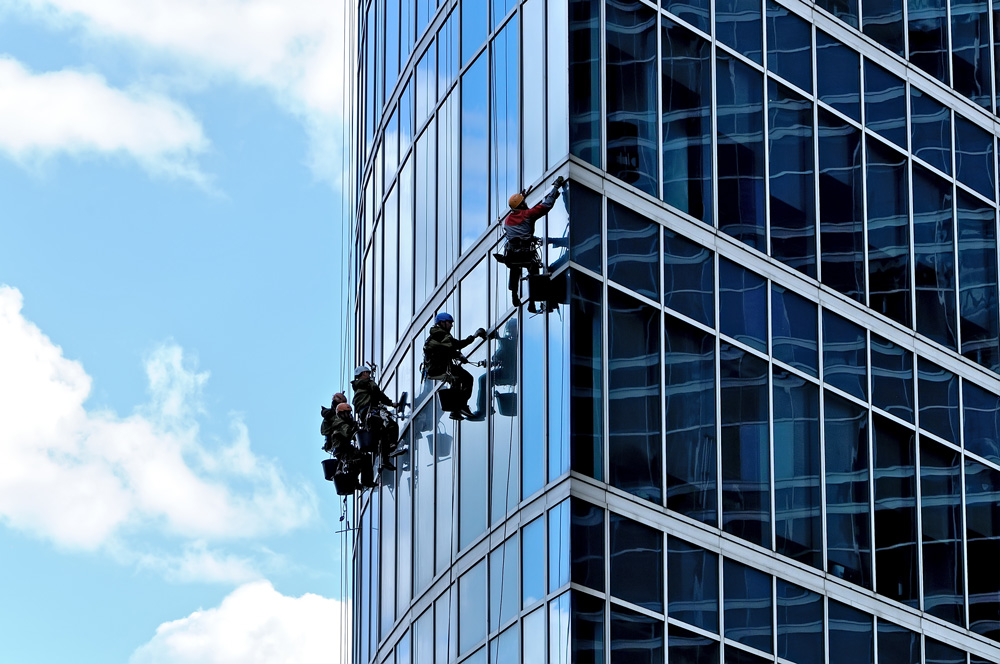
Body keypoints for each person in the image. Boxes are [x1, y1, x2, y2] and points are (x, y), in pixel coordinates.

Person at [494, 176, 566, 311]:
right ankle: (532, 302)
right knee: (534, 271)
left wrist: (521, 197)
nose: (525, 203)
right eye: (523, 202)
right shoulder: (528, 214)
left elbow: (517, 224)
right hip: (526, 254)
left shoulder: (507, 220)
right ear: (521, 205)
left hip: (512, 254)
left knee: (514, 269)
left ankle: (514, 294)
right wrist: (555, 187)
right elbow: (546, 206)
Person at [422, 312, 487, 419]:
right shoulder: (440, 334)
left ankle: (455, 410)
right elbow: (457, 344)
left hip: (436, 368)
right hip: (440, 367)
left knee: (456, 382)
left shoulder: (436, 335)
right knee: (467, 378)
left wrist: (459, 356)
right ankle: (462, 406)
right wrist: (475, 335)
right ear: (442, 322)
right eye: (449, 323)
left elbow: (446, 350)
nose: (451, 325)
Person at [351, 365, 401, 471]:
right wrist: (391, 403)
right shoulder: (368, 384)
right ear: (363, 373)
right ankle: (392, 447)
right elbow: (378, 394)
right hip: (372, 412)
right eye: (367, 373)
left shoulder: (359, 387)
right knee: (391, 425)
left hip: (367, 416)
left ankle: (385, 461)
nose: (369, 375)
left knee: (382, 434)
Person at [326, 403, 376, 489]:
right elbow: (348, 433)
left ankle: (357, 483)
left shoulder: (346, 422)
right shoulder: (340, 423)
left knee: (356, 463)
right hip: (342, 449)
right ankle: (366, 482)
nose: (349, 415)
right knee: (364, 458)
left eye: (349, 413)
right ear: (341, 414)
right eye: (347, 413)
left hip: (345, 449)